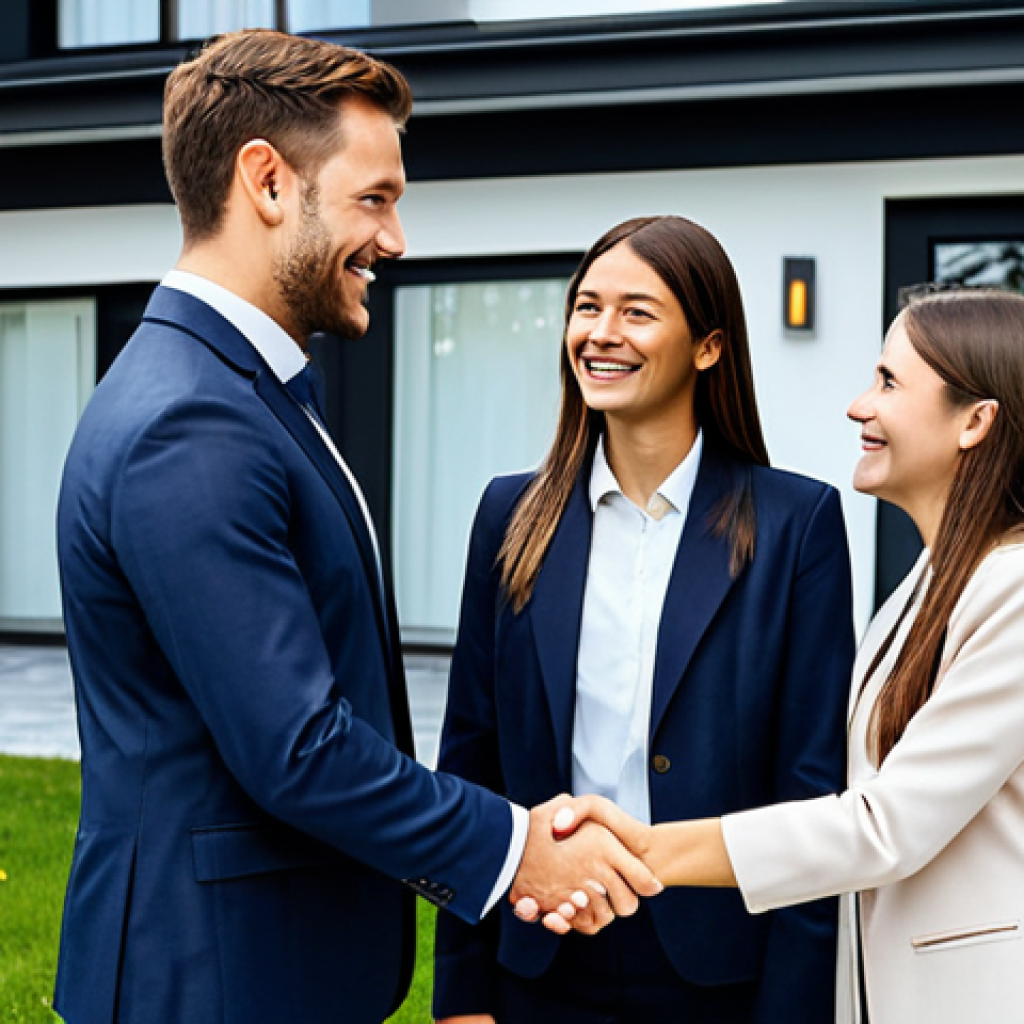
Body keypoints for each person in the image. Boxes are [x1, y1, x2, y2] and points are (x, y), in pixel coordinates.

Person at [53, 30, 658, 1024]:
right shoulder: (191, 420)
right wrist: (517, 849)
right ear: (269, 182)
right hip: (211, 978)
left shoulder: (244, 391)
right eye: (375, 198)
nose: (395, 238)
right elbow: (296, 744)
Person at [549, 286, 1024, 1024]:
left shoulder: (1015, 592)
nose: (858, 406)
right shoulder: (929, 583)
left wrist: (643, 848)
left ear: (976, 421)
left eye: (889, 383)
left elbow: (880, 824)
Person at [433, 215, 855, 1024]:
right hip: (539, 954)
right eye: (587, 307)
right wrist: (461, 992)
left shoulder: (797, 525)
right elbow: (471, 761)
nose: (600, 333)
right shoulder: (509, 515)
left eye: (636, 311)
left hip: (720, 972)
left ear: (708, 346)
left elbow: (812, 793)